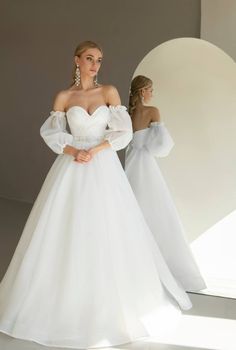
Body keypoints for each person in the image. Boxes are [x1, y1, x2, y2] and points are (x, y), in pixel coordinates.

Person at [0, 42, 194, 350]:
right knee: (64, 230)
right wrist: (75, 150)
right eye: (89, 59)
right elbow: (50, 133)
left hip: (102, 165)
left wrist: (96, 150)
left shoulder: (110, 93)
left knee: (109, 227)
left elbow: (123, 132)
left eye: (99, 60)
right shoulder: (64, 97)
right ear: (77, 60)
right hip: (72, 164)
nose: (95, 64)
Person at [125, 75, 207, 293]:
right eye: (151, 89)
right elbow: (162, 147)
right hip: (146, 166)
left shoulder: (127, 113)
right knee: (157, 211)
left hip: (129, 163)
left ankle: (133, 266)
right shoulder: (153, 111)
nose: (153, 93)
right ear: (143, 91)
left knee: (132, 209)